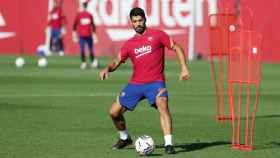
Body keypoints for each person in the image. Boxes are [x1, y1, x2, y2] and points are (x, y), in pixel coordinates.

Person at [99, 7, 190, 154]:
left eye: (140, 20)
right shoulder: (129, 44)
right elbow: (117, 61)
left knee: (163, 105)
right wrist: (107, 69)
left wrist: (184, 68)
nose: (138, 23)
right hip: (136, 84)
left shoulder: (157, 35)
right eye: (135, 21)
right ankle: (124, 138)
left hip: (155, 83)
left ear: (145, 20)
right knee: (114, 112)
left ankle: (168, 144)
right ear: (131, 23)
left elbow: (177, 47)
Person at [72, 1, 98, 69]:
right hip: (81, 36)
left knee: (91, 50)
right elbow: (74, 26)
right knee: (82, 50)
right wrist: (74, 35)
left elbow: (93, 25)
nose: (85, 7)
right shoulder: (79, 15)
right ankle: (83, 62)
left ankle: (93, 61)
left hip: (89, 35)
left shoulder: (89, 15)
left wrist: (94, 35)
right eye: (84, 5)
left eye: (85, 5)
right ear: (82, 6)